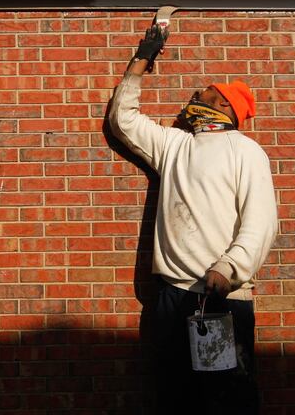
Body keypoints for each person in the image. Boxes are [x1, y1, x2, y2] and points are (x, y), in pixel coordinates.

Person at [108, 25, 278, 414]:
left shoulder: (245, 151)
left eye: (204, 91)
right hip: (172, 296)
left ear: (223, 104)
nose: (194, 95)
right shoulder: (175, 145)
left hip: (221, 297)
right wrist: (141, 61)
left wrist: (229, 268)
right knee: (175, 396)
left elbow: (261, 220)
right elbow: (124, 119)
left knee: (227, 400)